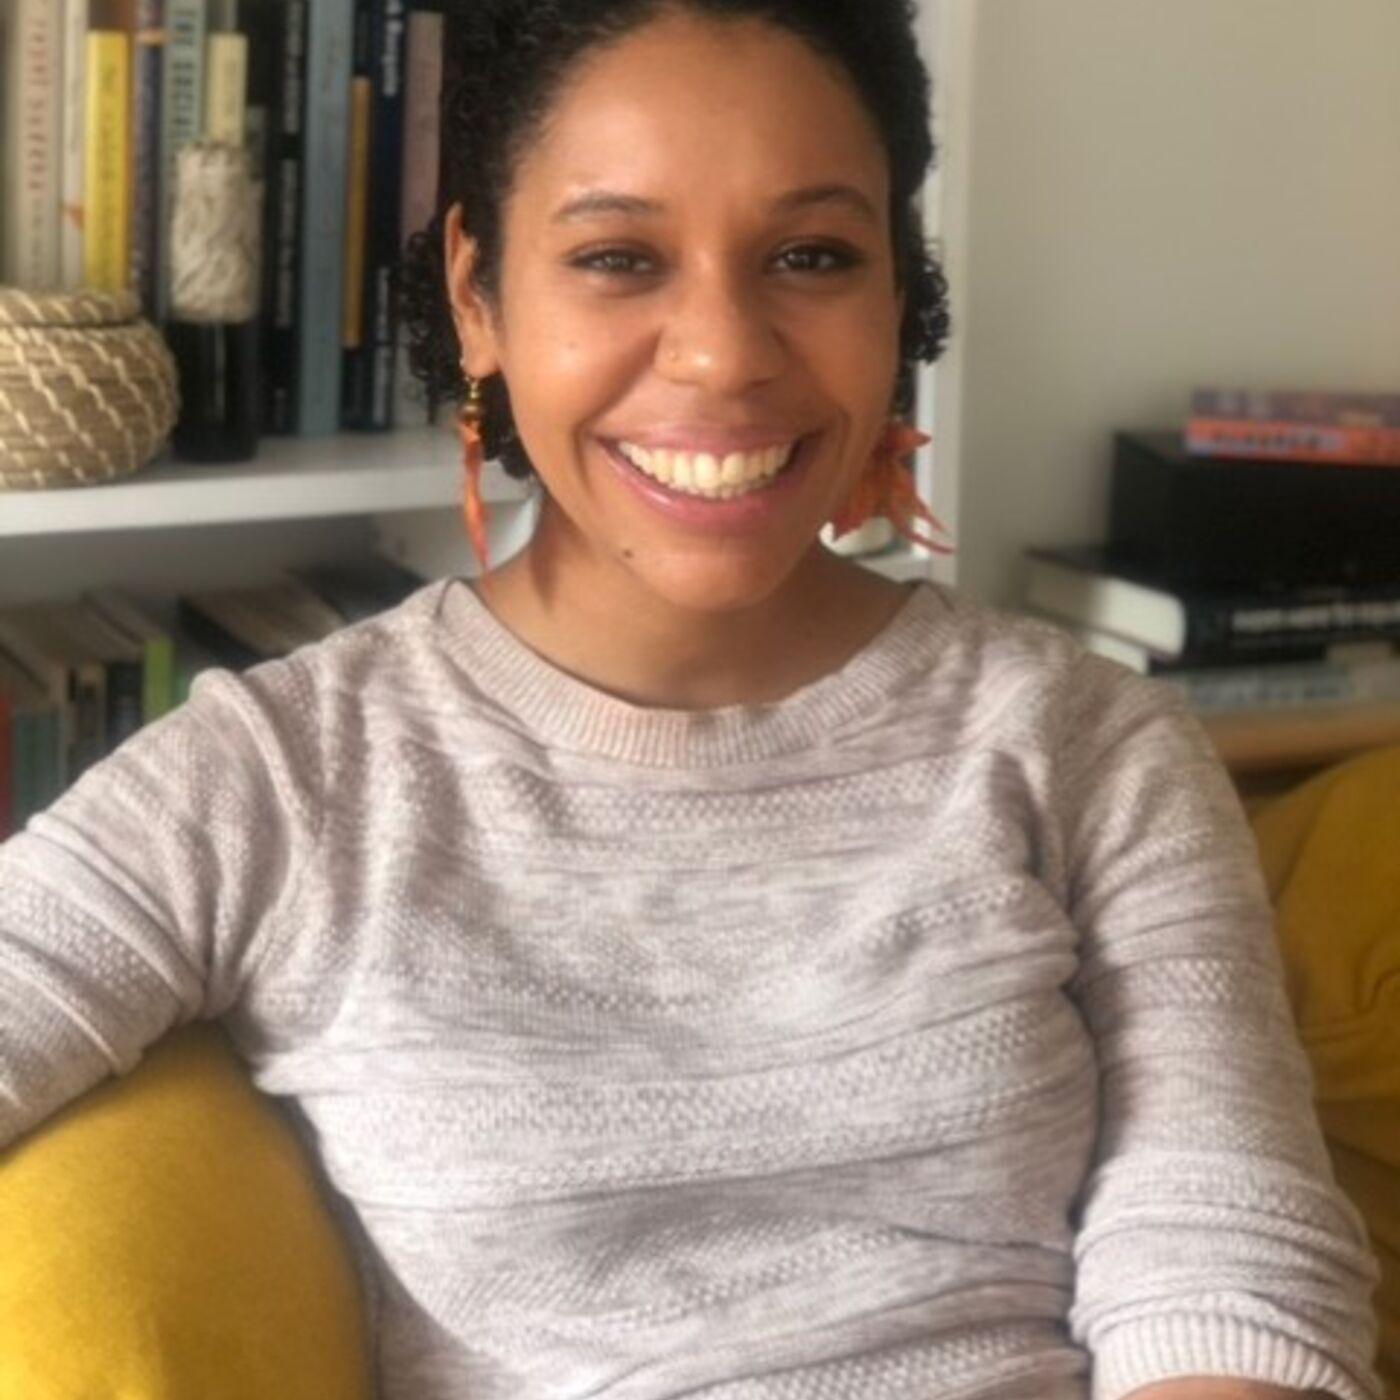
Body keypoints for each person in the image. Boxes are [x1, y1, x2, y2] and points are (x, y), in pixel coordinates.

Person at [0, 1, 1384, 1397]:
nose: (723, 352)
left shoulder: (1092, 746)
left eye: (812, 256)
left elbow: (1223, 1261)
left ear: (896, 289)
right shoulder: (285, 778)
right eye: (618, 258)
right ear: (479, 296)